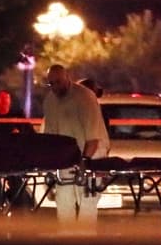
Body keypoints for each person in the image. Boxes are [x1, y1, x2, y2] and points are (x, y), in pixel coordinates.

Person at [41, 64, 110, 224]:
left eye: (58, 82)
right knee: (64, 205)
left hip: (91, 155)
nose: (55, 87)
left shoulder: (85, 98)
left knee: (87, 207)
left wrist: (84, 162)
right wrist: (50, 166)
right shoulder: (49, 101)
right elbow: (50, 137)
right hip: (65, 158)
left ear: (67, 77)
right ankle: (66, 244)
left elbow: (93, 137)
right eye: (51, 83)